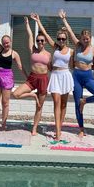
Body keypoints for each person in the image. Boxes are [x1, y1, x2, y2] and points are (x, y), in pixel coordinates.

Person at [59, 9, 94, 137]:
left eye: (88, 39)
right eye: (84, 38)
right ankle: (81, 129)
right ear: (81, 38)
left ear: (90, 39)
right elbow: (69, 31)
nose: (86, 40)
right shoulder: (77, 45)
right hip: (77, 76)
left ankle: (86, 101)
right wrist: (64, 19)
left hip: (88, 76)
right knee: (77, 103)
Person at [30, 13, 74, 141]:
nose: (61, 41)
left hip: (66, 75)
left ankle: (59, 126)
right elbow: (46, 34)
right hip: (55, 76)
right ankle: (58, 132)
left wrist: (64, 20)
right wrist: (38, 21)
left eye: (63, 39)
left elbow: (71, 34)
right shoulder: (55, 47)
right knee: (56, 103)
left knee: (64, 104)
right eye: (59, 39)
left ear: (66, 40)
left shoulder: (71, 51)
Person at [12, 16, 51, 135]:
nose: (39, 42)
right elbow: (30, 35)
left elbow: (52, 69)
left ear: (45, 42)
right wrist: (28, 24)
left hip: (43, 79)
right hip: (32, 78)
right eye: (38, 40)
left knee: (39, 107)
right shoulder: (33, 50)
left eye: (42, 40)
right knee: (16, 94)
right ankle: (33, 96)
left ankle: (34, 128)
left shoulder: (49, 54)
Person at [0, 15, 27, 130]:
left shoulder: (14, 53)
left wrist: (27, 77)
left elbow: (20, 67)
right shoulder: (0, 49)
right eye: (4, 43)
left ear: (10, 42)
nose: (6, 44)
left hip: (7, 77)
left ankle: (4, 123)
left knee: (5, 102)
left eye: (7, 42)